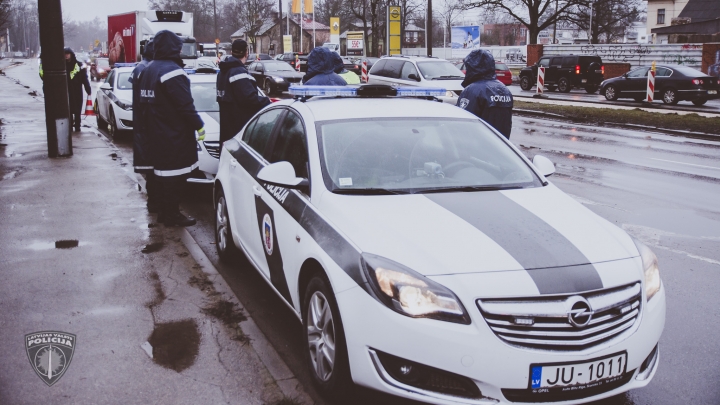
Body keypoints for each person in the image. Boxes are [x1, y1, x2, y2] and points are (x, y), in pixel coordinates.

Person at [139, 30, 205, 227]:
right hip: (173, 135)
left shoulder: (147, 70)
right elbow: (185, 105)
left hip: (154, 133)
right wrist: (199, 125)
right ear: (174, 48)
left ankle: (162, 210)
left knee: (159, 176)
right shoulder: (173, 72)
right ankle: (171, 215)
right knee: (175, 177)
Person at [217, 39, 270, 144]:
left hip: (227, 132)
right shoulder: (239, 72)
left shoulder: (222, 73)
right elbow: (250, 99)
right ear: (247, 53)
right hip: (239, 132)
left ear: (231, 52)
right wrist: (267, 101)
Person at [129, 39, 160, 213]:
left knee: (150, 169)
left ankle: (153, 201)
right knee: (154, 170)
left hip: (142, 124)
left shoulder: (140, 68)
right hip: (148, 125)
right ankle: (155, 203)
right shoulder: (147, 70)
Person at [456, 49, 513, 139]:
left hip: (478, 146)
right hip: (501, 146)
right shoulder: (505, 90)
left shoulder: (471, 91)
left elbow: (462, 123)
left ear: (473, 67)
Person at [40, 48, 92, 132]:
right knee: (69, 110)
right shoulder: (60, 66)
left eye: (68, 54)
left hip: (77, 91)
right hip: (65, 92)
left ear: (71, 54)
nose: (66, 55)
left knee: (77, 110)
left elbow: (84, 79)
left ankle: (78, 126)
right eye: (65, 54)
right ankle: (70, 126)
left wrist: (88, 89)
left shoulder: (79, 65)